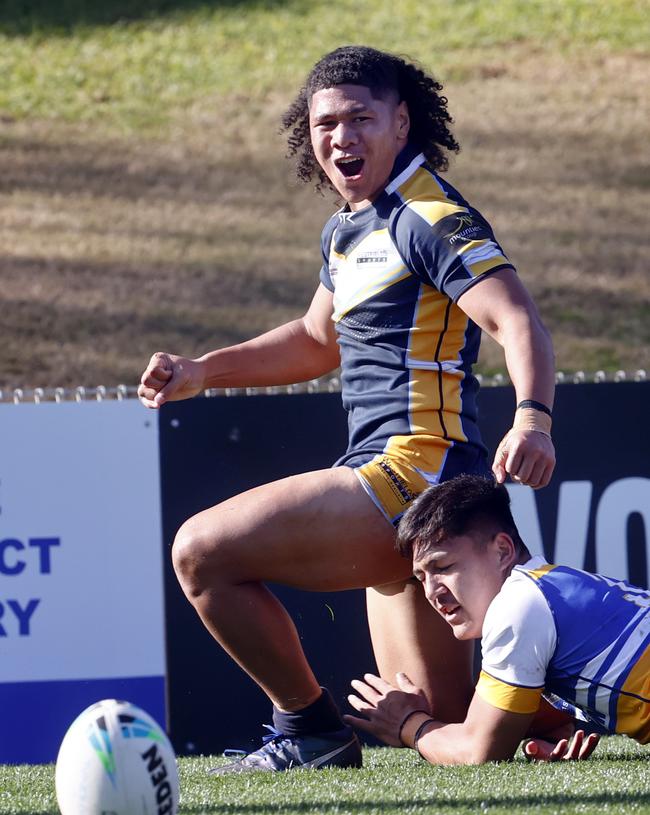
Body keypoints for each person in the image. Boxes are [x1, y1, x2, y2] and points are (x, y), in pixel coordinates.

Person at [138, 45, 556, 773]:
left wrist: (534, 418)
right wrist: (203, 371)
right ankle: (561, 725)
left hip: (421, 475)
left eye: (361, 118)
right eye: (325, 123)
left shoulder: (428, 214)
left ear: (402, 122)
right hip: (394, 482)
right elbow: (312, 339)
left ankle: (308, 730)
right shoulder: (349, 227)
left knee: (199, 552)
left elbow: (515, 318)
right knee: (445, 726)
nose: (341, 137)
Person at [344, 472, 650, 764]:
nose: (431, 592)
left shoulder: (515, 606)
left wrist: (409, 724)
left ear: (503, 551)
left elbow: (477, 752)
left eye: (443, 566)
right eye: (421, 577)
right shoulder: (548, 587)